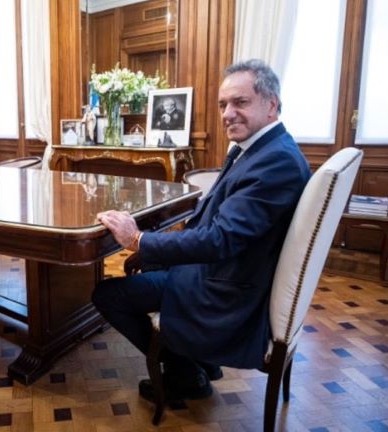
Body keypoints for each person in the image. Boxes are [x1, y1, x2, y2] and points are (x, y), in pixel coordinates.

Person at [92, 59, 311, 404]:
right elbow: (220, 222)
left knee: (107, 295)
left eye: (240, 102)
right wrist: (152, 245)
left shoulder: (275, 161)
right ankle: (196, 362)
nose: (227, 113)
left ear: (272, 105)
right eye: (223, 104)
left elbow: (220, 239)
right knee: (149, 263)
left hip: (225, 288)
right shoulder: (265, 149)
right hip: (231, 269)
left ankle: (184, 374)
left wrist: (139, 239)